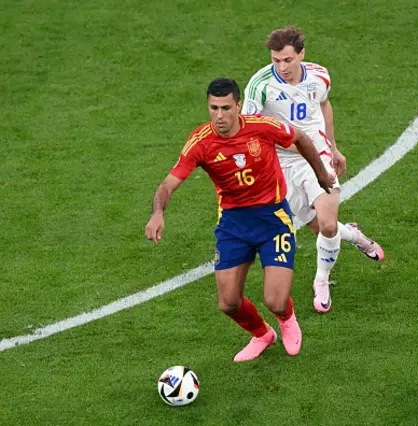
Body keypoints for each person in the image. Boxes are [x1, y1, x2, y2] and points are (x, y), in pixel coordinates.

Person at [145, 78, 334, 361]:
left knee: (276, 300)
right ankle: (263, 334)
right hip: (234, 224)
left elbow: (300, 138)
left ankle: (286, 319)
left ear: (239, 106)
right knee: (229, 303)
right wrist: (158, 212)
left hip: (273, 219)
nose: (219, 116)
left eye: (225, 108)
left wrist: (320, 174)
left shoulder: (262, 127)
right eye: (213, 108)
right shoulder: (201, 142)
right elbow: (167, 185)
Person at [242, 26, 384, 314]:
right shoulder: (260, 85)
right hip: (280, 162)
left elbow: (324, 104)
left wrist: (332, 147)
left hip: (316, 156)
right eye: (275, 60)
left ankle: (321, 280)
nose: (281, 67)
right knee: (317, 226)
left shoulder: (319, 75)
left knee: (328, 225)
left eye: (287, 60)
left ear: (301, 55)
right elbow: (250, 131)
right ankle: (355, 236)